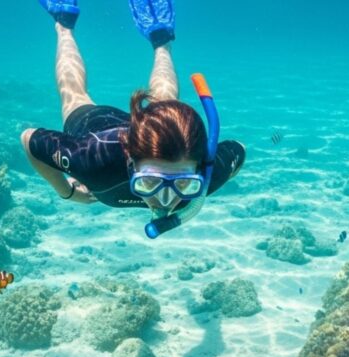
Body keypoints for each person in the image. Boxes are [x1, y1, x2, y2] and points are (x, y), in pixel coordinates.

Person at [22, 0, 246, 238]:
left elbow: (239, 151)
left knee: (165, 104)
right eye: (149, 183)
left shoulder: (205, 177)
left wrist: (213, 172)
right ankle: (63, 24)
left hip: (156, 141)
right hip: (95, 125)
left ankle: (161, 42)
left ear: (198, 171)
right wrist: (66, 191)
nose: (165, 200)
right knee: (74, 95)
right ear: (129, 160)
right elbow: (28, 139)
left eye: (183, 184)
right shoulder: (91, 160)